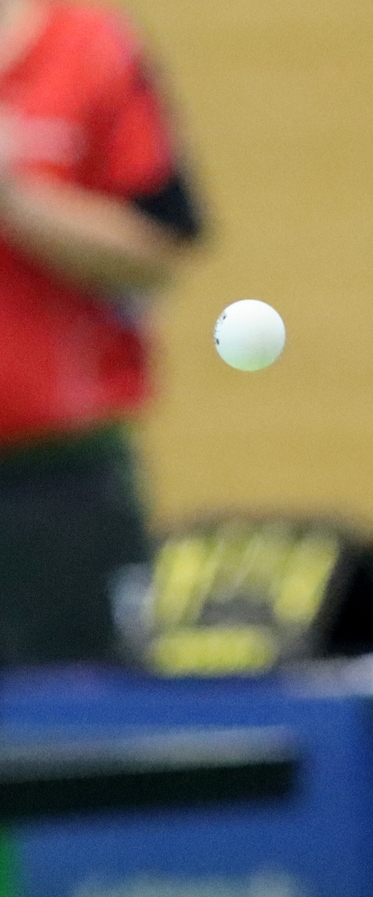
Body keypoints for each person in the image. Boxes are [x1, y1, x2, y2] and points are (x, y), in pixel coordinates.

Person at [0, 0, 202, 668]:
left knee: (80, 711)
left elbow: (157, 248)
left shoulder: (90, 47)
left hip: (59, 478)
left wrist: (14, 198)